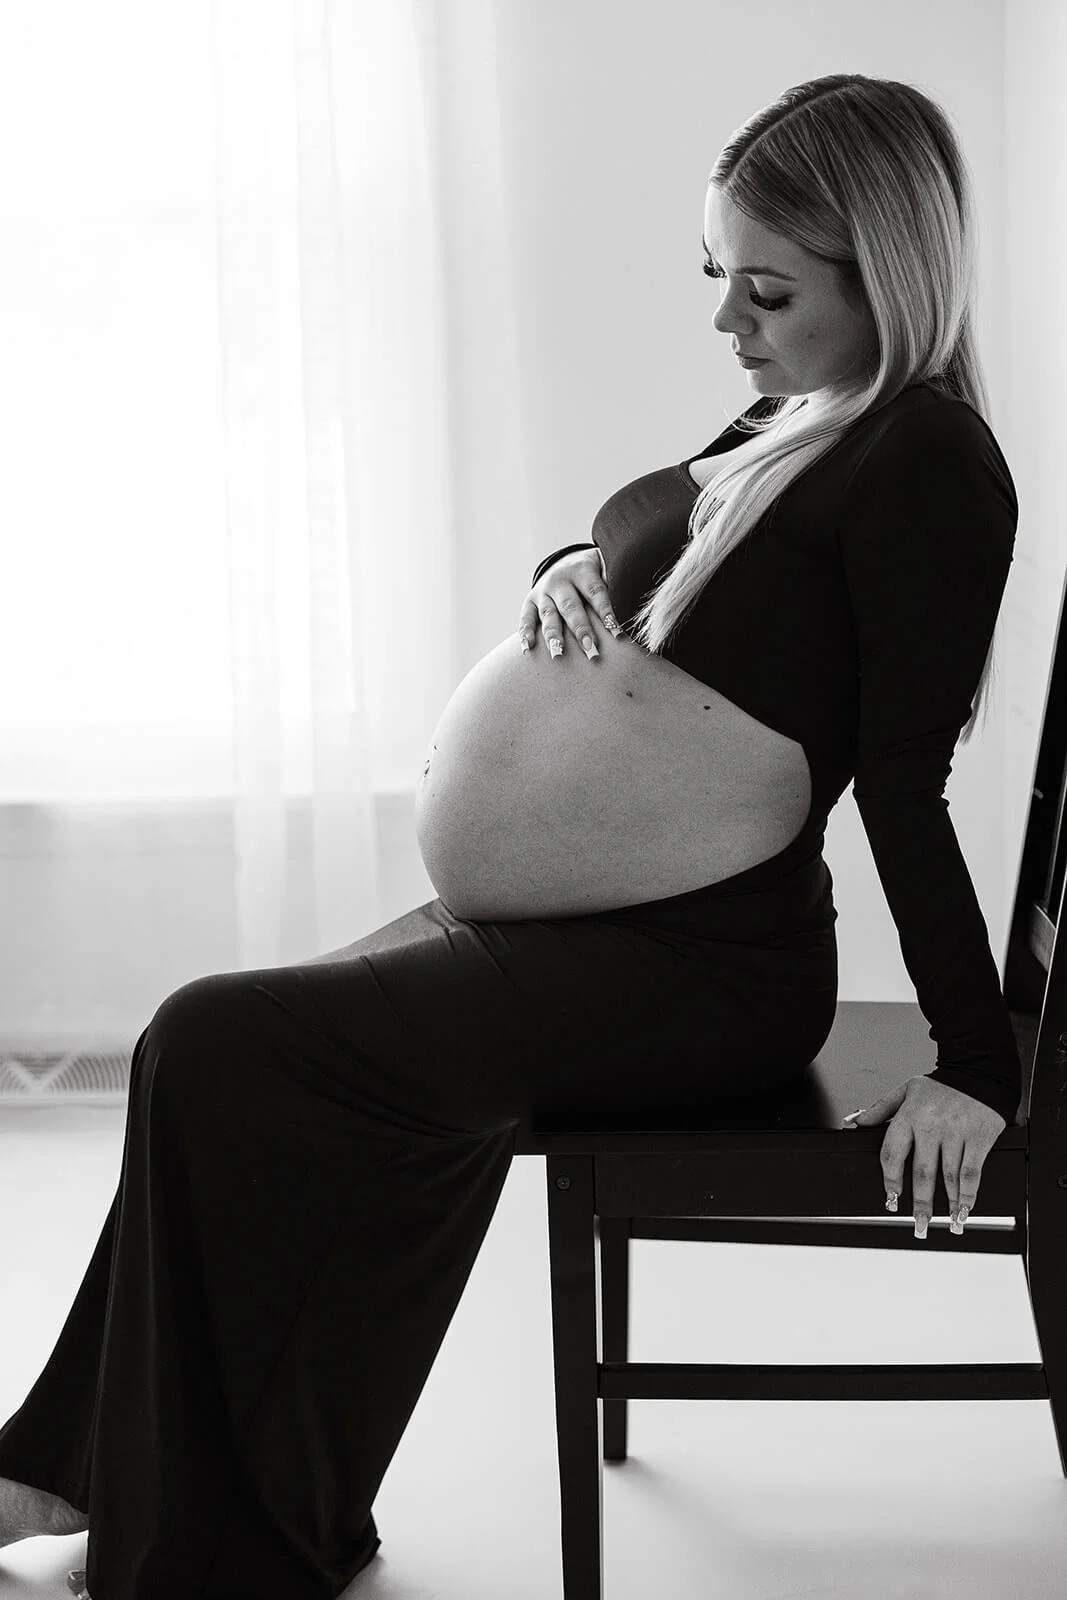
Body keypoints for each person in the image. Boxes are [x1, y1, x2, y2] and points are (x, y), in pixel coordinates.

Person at [0, 71, 1018, 1599]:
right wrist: (562, 568)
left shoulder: (926, 461)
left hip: (699, 974)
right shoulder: (801, 409)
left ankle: (145, 1523)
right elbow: (670, 544)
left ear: (895, 271)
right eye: (713, 277)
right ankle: (116, 1489)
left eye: (766, 287)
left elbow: (901, 777)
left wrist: (974, 1054)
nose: (727, 320)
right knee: (219, 1065)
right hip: (593, 931)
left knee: (217, 1039)